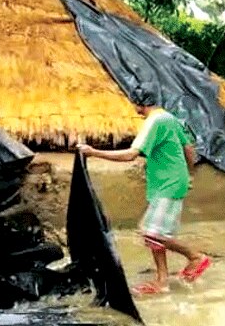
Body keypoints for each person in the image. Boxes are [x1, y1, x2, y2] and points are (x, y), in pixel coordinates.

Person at [77, 84, 211, 295]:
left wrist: (93, 152)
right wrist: (189, 175)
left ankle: (195, 256)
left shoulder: (154, 122)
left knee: (152, 232)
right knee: (152, 234)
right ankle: (162, 280)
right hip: (166, 183)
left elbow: (131, 155)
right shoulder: (169, 118)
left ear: (138, 103)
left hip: (168, 184)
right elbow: (189, 149)